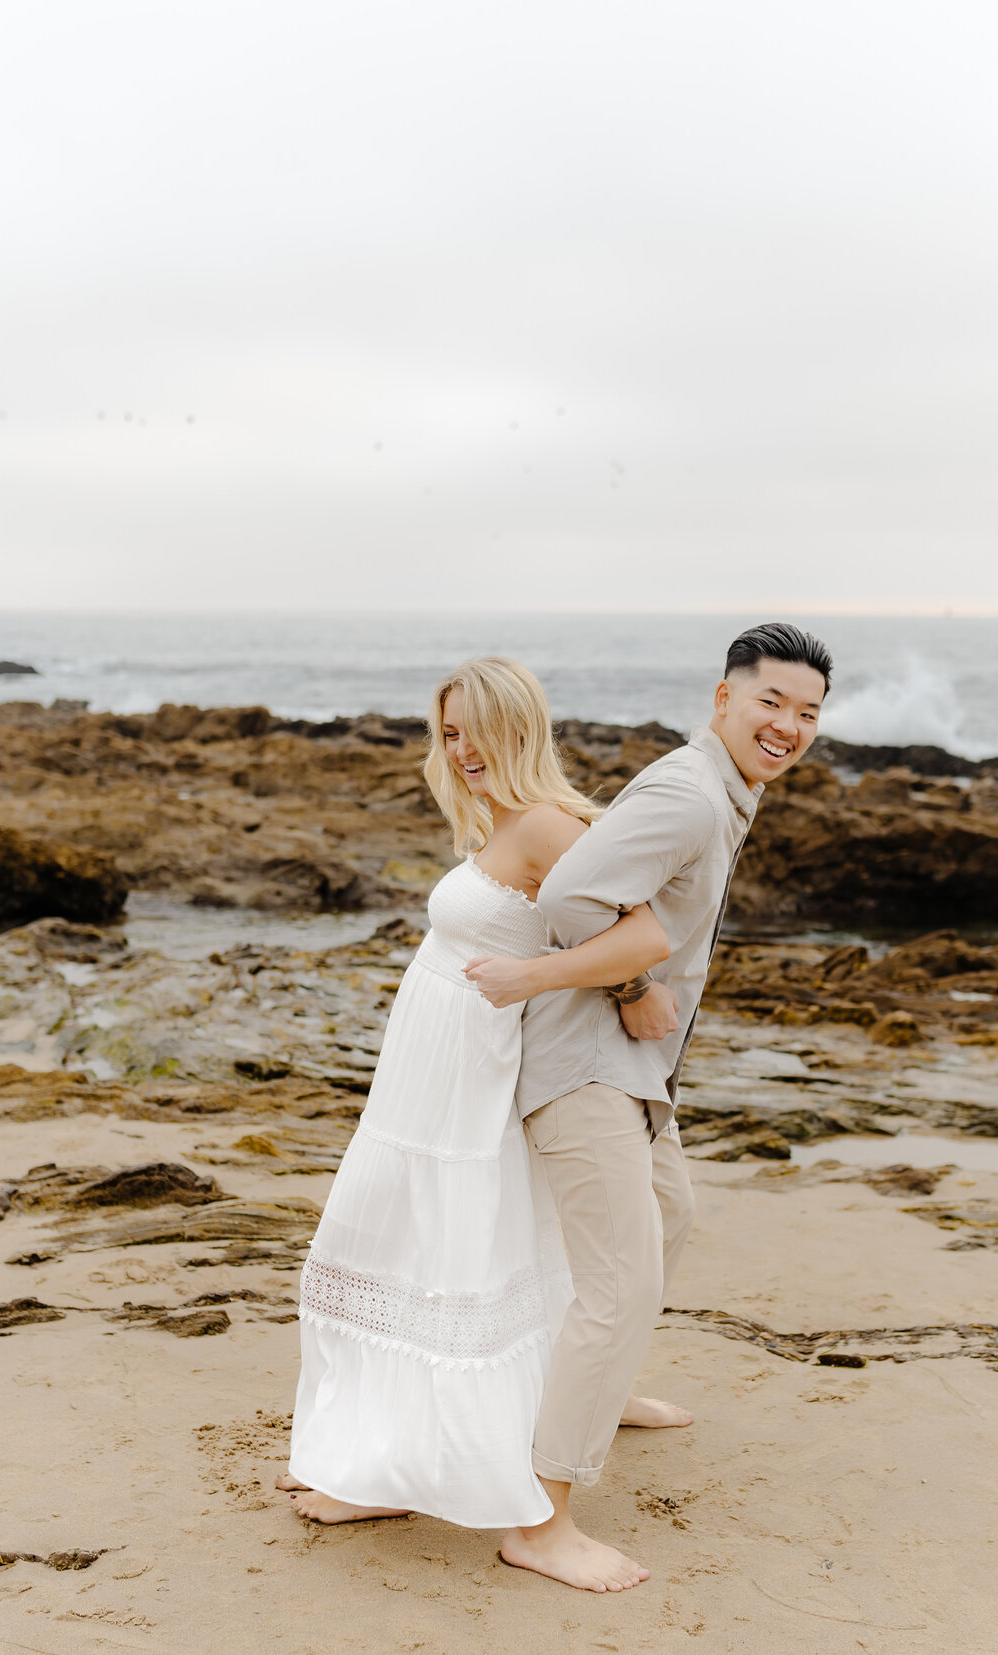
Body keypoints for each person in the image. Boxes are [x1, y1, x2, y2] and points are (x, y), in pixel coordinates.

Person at [466, 621, 833, 1592]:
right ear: (723, 699)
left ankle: (600, 1386)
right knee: (621, 1280)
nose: (787, 725)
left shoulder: (721, 794)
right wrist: (632, 992)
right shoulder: (686, 791)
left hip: (632, 1073)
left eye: (806, 713)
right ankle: (540, 1526)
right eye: (771, 703)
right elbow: (575, 894)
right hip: (587, 1062)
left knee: (670, 1215)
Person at [279, 656, 670, 1534]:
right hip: (427, 1073)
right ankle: (377, 1465)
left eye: (475, 732)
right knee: (396, 1250)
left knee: (440, 1256)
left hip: (468, 1082)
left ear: (519, 727)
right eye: (448, 733)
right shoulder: (495, 821)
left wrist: (538, 978)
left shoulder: (546, 825)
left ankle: (417, 1472)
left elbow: (643, 936)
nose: (460, 750)